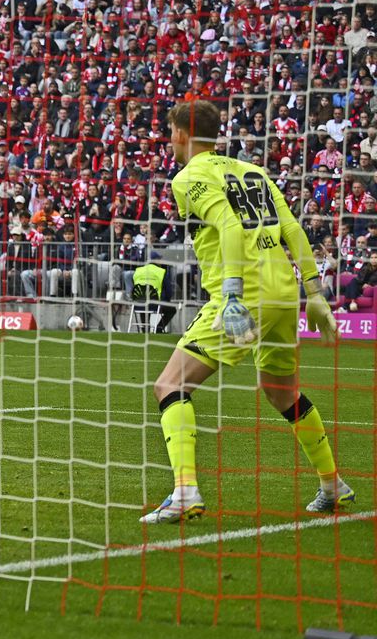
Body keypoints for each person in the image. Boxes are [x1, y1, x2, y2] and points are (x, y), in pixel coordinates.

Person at [141, 100, 350, 524]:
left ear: (180, 133)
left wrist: (233, 295)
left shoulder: (189, 176)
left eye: (170, 131)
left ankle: (185, 492)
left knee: (169, 385)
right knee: (281, 391)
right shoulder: (252, 171)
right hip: (283, 292)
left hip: (245, 295)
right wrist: (315, 292)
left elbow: (231, 226)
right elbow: (292, 228)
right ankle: (333, 486)